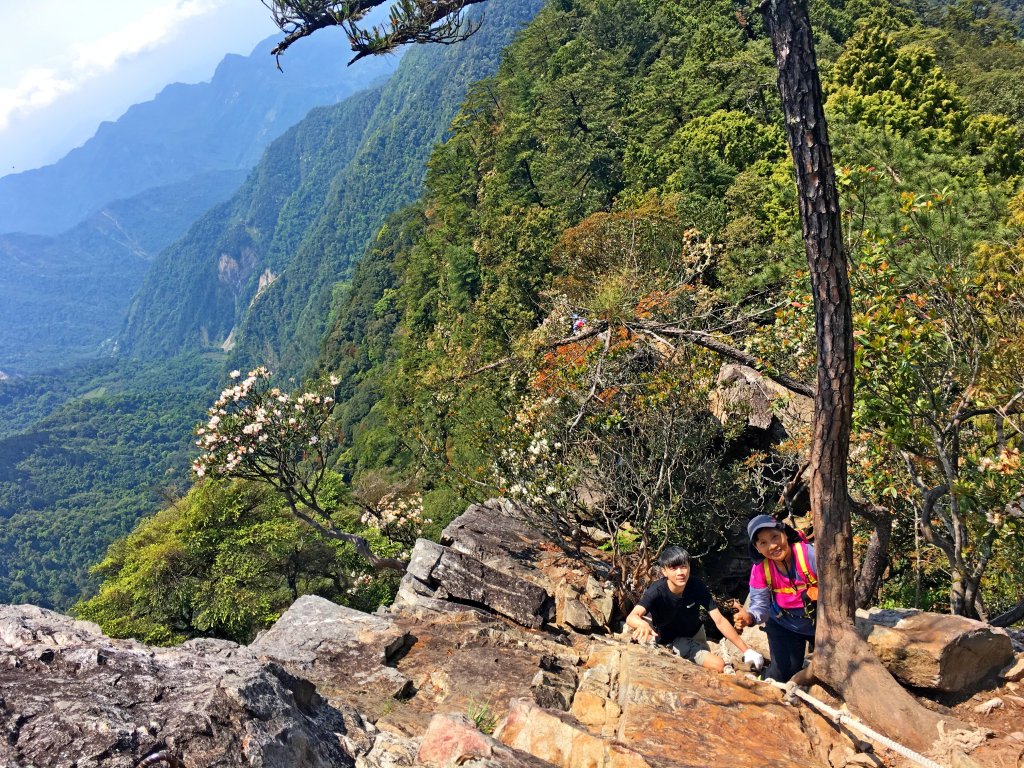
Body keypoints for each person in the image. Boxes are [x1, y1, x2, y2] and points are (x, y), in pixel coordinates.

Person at [625, 545, 764, 673]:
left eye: (683, 566)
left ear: (689, 567)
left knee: (707, 667)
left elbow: (720, 620)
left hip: (697, 633)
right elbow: (632, 616)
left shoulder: (696, 586)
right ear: (664, 571)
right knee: (719, 665)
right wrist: (642, 624)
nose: (680, 572)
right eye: (673, 568)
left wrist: (747, 651)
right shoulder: (657, 591)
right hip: (672, 640)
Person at [732, 514, 818, 683]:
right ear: (757, 548)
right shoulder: (761, 569)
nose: (772, 546)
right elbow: (760, 607)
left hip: (820, 622)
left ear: (784, 533)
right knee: (781, 676)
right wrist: (750, 617)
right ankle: (758, 677)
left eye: (775, 537)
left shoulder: (808, 555)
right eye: (763, 543)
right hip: (785, 625)